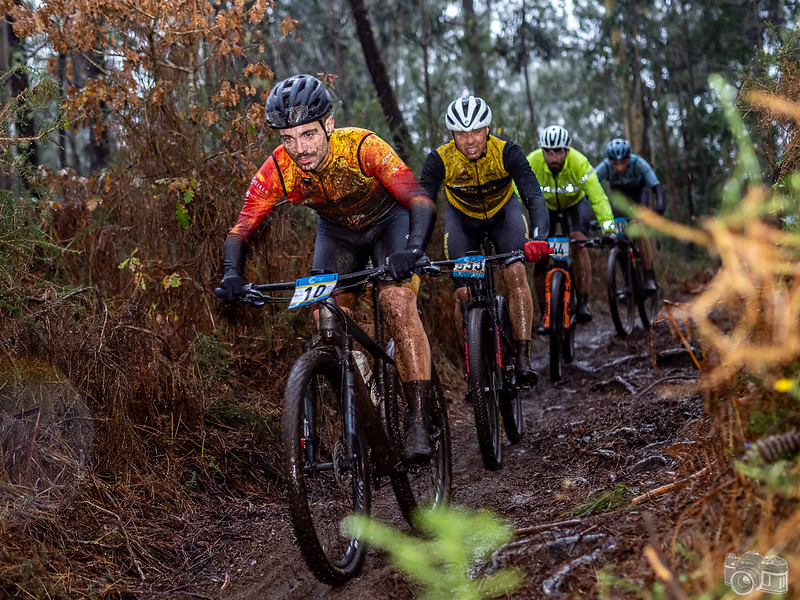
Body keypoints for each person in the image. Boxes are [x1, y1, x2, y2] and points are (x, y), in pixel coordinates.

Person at [218, 74, 438, 463]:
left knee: (397, 305)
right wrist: (232, 274)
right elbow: (242, 228)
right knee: (328, 319)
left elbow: (418, 198)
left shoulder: (362, 147)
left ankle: (419, 417)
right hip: (337, 235)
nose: (299, 148)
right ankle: (366, 413)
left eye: (308, 135)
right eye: (288, 138)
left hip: (388, 223)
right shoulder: (280, 168)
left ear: (329, 125)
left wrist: (413, 249)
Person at [419, 95, 550, 387]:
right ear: (451, 135)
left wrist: (540, 237)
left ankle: (524, 357)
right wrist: (415, 246)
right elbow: (423, 203)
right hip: (463, 220)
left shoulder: (507, 151)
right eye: (461, 134)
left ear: (488, 128)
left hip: (505, 213)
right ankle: (473, 364)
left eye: (476, 131)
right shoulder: (440, 159)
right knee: (463, 292)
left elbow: (533, 194)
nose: (469, 140)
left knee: (514, 271)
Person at [524, 125, 615, 329]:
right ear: (542, 151)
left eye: (558, 152)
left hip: (575, 205)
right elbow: (513, 191)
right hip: (545, 206)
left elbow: (598, 197)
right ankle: (544, 311)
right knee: (540, 252)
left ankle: (583, 303)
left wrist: (608, 228)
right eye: (548, 152)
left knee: (578, 242)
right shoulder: (532, 161)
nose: (553, 157)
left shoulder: (579, 162)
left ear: (567, 150)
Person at [595, 138, 664, 293]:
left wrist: (660, 205)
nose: (619, 168)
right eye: (615, 164)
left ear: (629, 158)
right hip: (620, 196)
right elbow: (589, 185)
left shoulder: (638, 163)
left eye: (623, 163)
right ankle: (628, 281)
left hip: (639, 193)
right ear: (609, 161)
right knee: (617, 240)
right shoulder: (605, 167)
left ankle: (649, 276)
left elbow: (655, 185)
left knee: (639, 227)